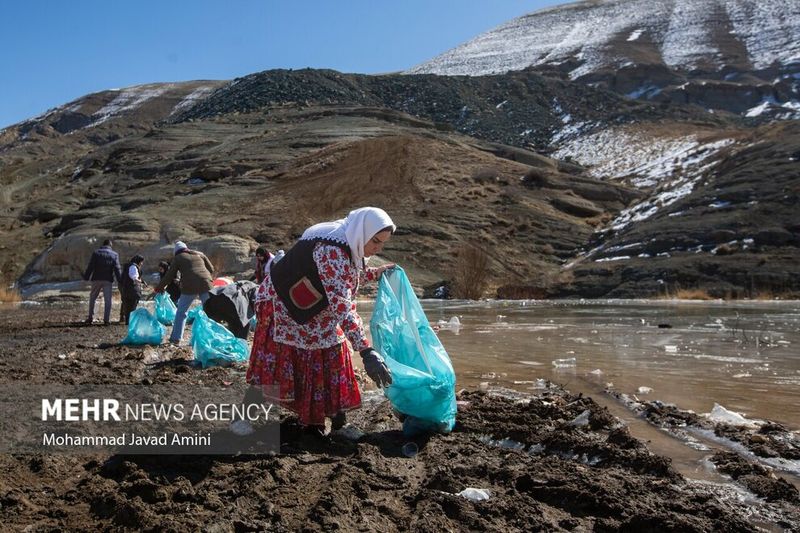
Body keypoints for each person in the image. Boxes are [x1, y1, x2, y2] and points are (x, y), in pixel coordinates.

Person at [237, 207, 396, 436]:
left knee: (333, 354)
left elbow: (348, 273)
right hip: (282, 305)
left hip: (311, 305)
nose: (379, 248)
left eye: (383, 243)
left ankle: (336, 423)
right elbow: (342, 305)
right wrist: (366, 350)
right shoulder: (331, 248)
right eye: (376, 241)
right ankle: (243, 419)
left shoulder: (350, 240)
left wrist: (375, 273)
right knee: (276, 363)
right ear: (363, 232)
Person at [154, 241, 215, 345]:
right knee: (210, 311)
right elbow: (211, 269)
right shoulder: (200, 254)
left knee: (182, 312)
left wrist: (158, 288)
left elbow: (169, 275)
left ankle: (176, 339)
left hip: (189, 285)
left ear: (176, 252)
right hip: (206, 283)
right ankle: (213, 337)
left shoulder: (178, 258)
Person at [83, 238, 122, 325]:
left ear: (103, 244)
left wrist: (86, 277)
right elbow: (117, 268)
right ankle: (106, 320)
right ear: (110, 245)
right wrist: (120, 280)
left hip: (96, 278)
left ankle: (90, 318)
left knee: (93, 298)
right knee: (108, 300)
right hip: (108, 280)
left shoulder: (96, 253)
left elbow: (91, 266)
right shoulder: (114, 254)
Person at [119, 254, 146, 325]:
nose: (142, 264)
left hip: (126, 289)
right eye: (141, 262)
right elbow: (134, 277)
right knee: (132, 307)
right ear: (139, 261)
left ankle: (127, 321)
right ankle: (129, 322)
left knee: (127, 306)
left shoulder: (128, 266)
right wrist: (140, 281)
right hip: (132, 290)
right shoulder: (133, 267)